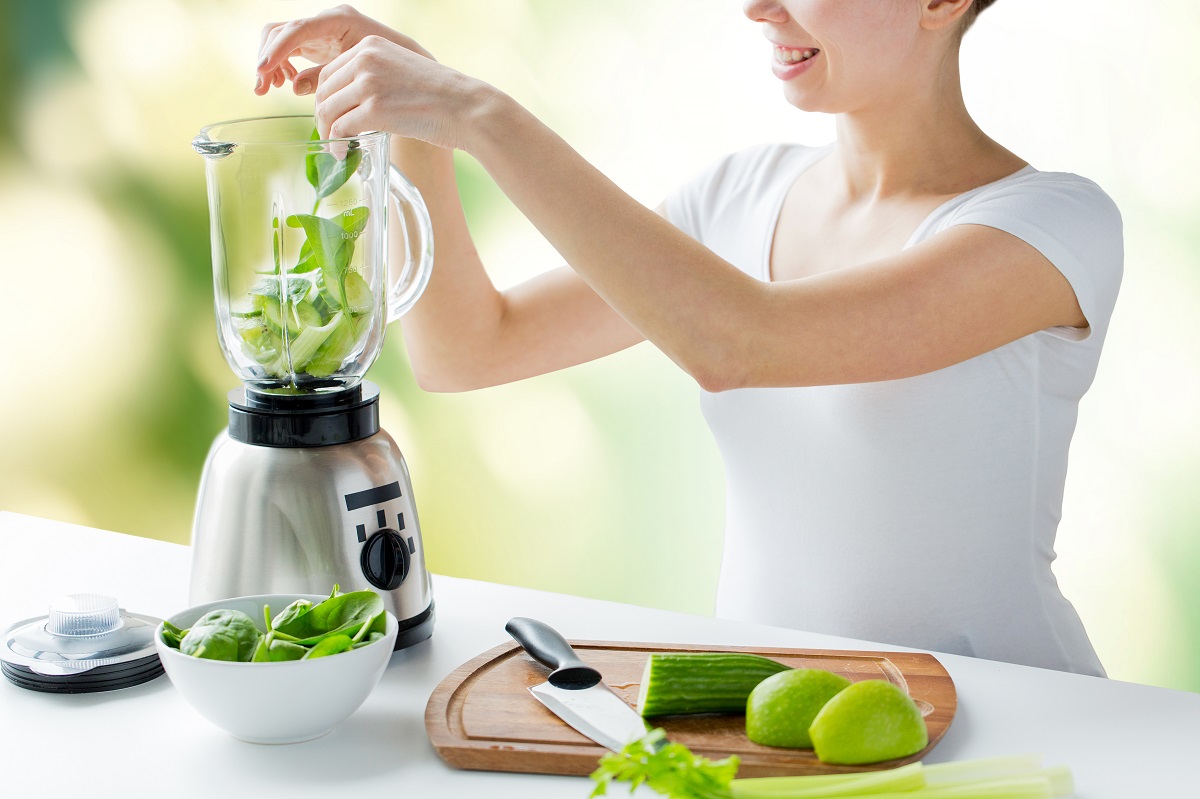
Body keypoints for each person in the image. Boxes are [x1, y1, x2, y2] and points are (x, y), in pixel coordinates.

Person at [255, 0, 1122, 676]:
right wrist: (418, 116)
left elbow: (742, 343)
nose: (759, 8)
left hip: (1011, 710)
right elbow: (467, 348)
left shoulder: (1052, 225)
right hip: (765, 710)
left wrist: (480, 112)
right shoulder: (740, 195)